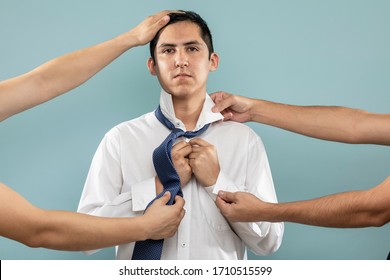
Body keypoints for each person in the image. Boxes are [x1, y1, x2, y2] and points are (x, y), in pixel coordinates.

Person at [77, 11, 283, 260]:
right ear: (152, 66)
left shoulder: (245, 141)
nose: (181, 60)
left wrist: (218, 183)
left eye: (192, 49)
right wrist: (159, 185)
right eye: (168, 50)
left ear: (213, 61)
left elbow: (270, 241)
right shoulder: (120, 140)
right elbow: (84, 237)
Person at [0, 10, 185, 252]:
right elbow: (38, 230)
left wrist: (131, 38)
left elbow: (43, 81)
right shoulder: (120, 139)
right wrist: (145, 227)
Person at [210, 91, 390, 229]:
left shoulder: (245, 140)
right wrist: (252, 109)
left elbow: (374, 209)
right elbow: (356, 125)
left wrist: (264, 211)